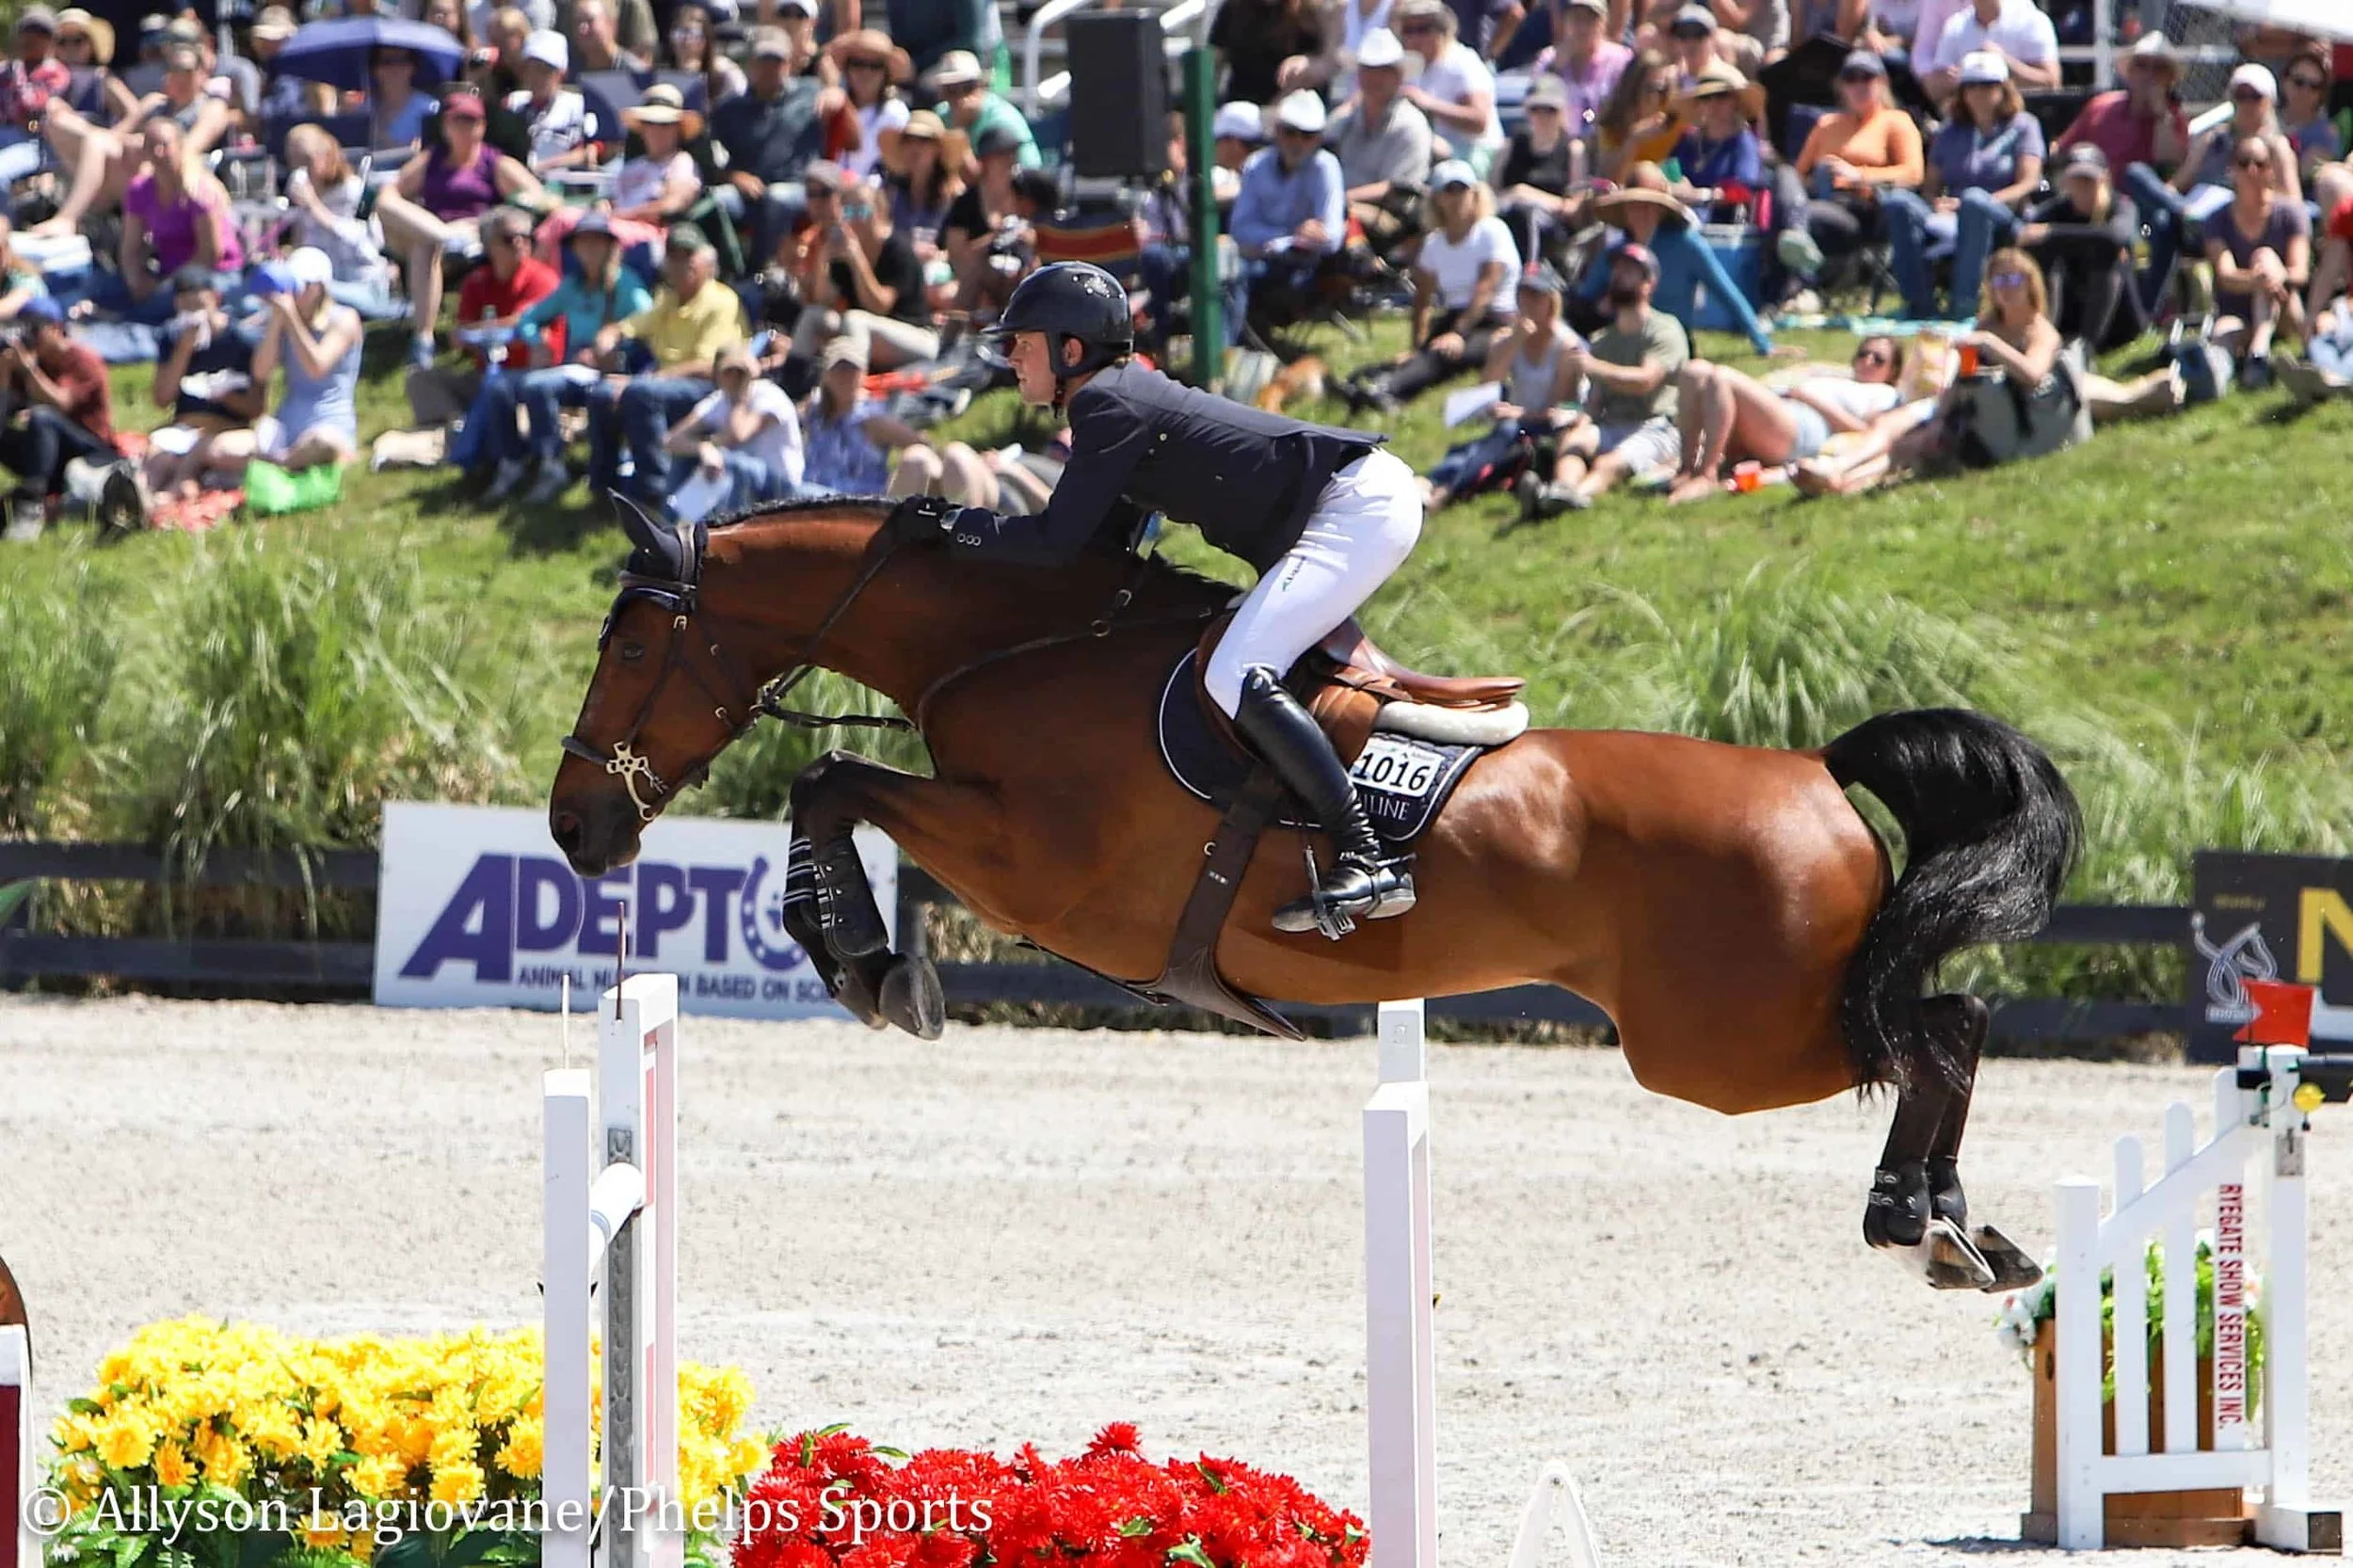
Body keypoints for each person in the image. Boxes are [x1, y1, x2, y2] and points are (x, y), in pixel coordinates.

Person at [882, 261, 1420, 936]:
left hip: (1355, 508)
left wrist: (950, 525)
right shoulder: (1117, 400)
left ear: (1070, 350)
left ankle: (1367, 854)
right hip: (1348, 506)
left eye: (1023, 342)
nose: (1010, 356)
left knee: (1234, 672)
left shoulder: (1106, 405)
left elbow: (1054, 541)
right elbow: (1099, 553)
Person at [1800, 246, 2062, 493]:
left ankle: (1844, 484)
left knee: (1909, 446)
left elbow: (2033, 374)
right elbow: (1965, 375)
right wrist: (1941, 414)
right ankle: (1836, 470)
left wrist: (1990, 344)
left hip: (1997, 422)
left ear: (2031, 283)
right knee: (1888, 424)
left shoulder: (2040, 332)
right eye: (1998, 280)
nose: (2005, 287)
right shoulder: (1987, 324)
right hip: (1957, 405)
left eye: (2014, 279)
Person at [477, 211, 654, 500]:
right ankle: (511, 461)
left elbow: (648, 323)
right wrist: (538, 343)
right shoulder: (572, 286)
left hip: (608, 371)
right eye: (584, 242)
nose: (590, 249)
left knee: (538, 386)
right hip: (570, 367)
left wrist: (616, 343)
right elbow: (528, 319)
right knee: (499, 387)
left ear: (610, 246)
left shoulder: (626, 284)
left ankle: (552, 466)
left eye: (597, 242)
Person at [376, 89, 547, 367]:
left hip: (474, 237)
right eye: (456, 120)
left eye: (470, 121)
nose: (463, 127)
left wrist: (491, 220)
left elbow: (537, 197)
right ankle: (424, 337)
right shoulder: (432, 159)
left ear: (482, 126)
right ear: (445, 126)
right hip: (436, 231)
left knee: (425, 246)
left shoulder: (495, 163)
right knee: (394, 211)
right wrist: (438, 228)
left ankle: (423, 339)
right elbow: (390, 192)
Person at [1517, 241, 1689, 515]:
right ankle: (1560, 491)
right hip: (1612, 424)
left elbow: (1646, 380)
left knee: (1608, 464)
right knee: (1574, 443)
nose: (1618, 275)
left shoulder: (1664, 329)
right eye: (1617, 270)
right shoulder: (1603, 341)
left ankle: (1565, 499)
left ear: (1649, 284)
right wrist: (1579, 421)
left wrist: (1593, 366)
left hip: (1657, 427)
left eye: (1629, 271)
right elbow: (1596, 401)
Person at [586, 223, 746, 505]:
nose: (682, 264)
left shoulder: (721, 301)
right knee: (601, 393)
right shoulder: (668, 299)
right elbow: (629, 326)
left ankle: (653, 492)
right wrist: (608, 338)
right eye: (674, 256)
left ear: (706, 260)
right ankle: (604, 490)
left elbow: (708, 366)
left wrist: (649, 380)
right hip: (663, 382)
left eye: (688, 255)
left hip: (709, 387)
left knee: (640, 393)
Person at [2127, 61, 2299, 319]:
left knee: (2164, 223)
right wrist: (2173, 200)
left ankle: (2146, 313)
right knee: (2138, 178)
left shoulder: (2275, 147)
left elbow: (2293, 201)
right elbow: (2179, 182)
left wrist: (2250, 194)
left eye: (2254, 96)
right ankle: (2146, 315)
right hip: (2195, 212)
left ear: (2269, 101)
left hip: (2233, 225)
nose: (2247, 103)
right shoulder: (2212, 139)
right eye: (2240, 95)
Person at [1342, 159, 1517, 409]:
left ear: (1475, 193)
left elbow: (1486, 290)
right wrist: (1417, 345)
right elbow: (1422, 300)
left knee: (1442, 355)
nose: (1456, 197)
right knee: (1421, 355)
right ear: (1437, 198)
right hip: (1454, 316)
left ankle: (1390, 391)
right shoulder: (1434, 244)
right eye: (1449, 190)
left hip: (1496, 322)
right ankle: (1365, 381)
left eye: (1462, 189)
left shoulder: (1492, 230)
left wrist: (1458, 333)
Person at [1881, 50, 2041, 320]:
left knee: (1974, 200)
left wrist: (1979, 201)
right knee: (1898, 202)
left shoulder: (2024, 126)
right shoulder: (1950, 130)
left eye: (1988, 85)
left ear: (2004, 88)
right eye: (1972, 86)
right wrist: (1937, 204)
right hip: (1952, 215)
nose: (1979, 93)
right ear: (1962, 92)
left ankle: (1963, 305)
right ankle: (1919, 305)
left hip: (2003, 216)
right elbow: (1931, 187)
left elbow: (2028, 183)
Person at [187, 248, 363, 477]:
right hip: (286, 424)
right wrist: (277, 321)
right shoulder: (282, 318)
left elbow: (316, 367)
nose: (292, 292)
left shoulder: (344, 319)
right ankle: (284, 464)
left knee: (321, 443)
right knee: (216, 447)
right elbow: (261, 372)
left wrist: (291, 319)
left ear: (318, 288)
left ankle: (275, 465)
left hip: (328, 424)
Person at [1663, 333, 1902, 501]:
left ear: (1892, 371)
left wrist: (1809, 399)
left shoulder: (1884, 393)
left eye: (1878, 359)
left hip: (1802, 428)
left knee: (1721, 377)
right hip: (1783, 412)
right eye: (1863, 354)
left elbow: (1867, 432)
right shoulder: (1839, 377)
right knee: (1694, 370)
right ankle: (1687, 469)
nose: (1867, 361)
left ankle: (1707, 475)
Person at [1421, 264, 1579, 509]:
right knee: (1493, 441)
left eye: (1536, 297)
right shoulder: (1506, 338)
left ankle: (1443, 489)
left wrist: (1518, 413)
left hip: (1549, 425)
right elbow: (1487, 387)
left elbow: (1561, 408)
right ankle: (1433, 483)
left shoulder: (1566, 347)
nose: (1529, 303)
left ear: (1551, 301)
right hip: (1517, 422)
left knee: (1502, 435)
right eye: (1524, 295)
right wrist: (1514, 342)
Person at [1776, 50, 1921, 290]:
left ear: (1882, 82)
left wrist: (1859, 175)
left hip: (1862, 209)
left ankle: (1797, 275)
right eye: (1851, 78)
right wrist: (1820, 178)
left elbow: (1914, 174)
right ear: (1841, 86)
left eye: (1866, 77)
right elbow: (1799, 175)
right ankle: (1796, 239)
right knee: (1784, 174)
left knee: (1789, 219)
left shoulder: (1896, 121)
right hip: (1820, 198)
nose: (1858, 85)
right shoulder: (1827, 124)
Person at [407, 206, 559, 429]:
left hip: (532, 376)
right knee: (419, 379)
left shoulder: (543, 278)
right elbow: (458, 336)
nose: (520, 243)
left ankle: (497, 424)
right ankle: (456, 425)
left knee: (508, 392)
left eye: (526, 237)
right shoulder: (476, 282)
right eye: (509, 238)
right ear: (489, 245)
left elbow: (525, 322)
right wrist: (485, 332)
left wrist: (480, 331)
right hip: (488, 375)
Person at [711, 28, 841, 268]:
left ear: (789, 64)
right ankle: (726, 270)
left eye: (777, 62)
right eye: (763, 61)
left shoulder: (811, 93)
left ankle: (761, 272)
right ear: (750, 64)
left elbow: (848, 125)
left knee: (777, 198)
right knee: (716, 200)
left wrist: (837, 92)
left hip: (801, 189)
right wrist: (733, 176)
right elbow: (711, 159)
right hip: (749, 192)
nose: (770, 69)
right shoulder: (729, 109)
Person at [789, 165, 938, 368]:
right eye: (849, 212)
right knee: (813, 316)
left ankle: (852, 381)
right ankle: (793, 377)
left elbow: (879, 306)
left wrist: (857, 260)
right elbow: (824, 300)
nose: (856, 219)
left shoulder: (897, 249)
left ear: (879, 212)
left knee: (855, 320)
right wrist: (825, 258)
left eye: (863, 211)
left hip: (916, 338)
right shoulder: (845, 249)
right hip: (865, 333)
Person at [1224, 89, 1345, 341]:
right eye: (1290, 132)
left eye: (1307, 135)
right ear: (1277, 131)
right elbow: (1240, 227)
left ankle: (1231, 347)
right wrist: (1291, 236)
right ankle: (1228, 347)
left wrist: (1277, 241)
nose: (1297, 142)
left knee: (1237, 274)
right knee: (1229, 271)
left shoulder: (1326, 167)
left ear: (1319, 138)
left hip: (1302, 266)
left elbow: (1332, 237)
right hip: (1259, 258)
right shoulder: (1256, 165)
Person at [139, 268, 264, 505]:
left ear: (214, 299)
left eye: (198, 305)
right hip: (185, 426)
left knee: (202, 454)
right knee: (157, 460)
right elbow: (162, 398)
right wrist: (183, 351)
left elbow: (257, 408)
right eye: (186, 306)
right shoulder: (171, 338)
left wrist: (225, 396)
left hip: (227, 429)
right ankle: (140, 497)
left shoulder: (242, 341)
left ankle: (176, 489)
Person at [0, 296, 121, 537]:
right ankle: (34, 492)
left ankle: (32, 501)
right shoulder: (29, 363)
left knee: (42, 417)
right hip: (48, 456)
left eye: (35, 329)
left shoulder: (83, 359)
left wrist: (29, 370)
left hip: (89, 451)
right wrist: (4, 374)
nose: (30, 338)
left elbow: (61, 403)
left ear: (55, 328)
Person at [103, 115, 243, 323]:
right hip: (166, 271)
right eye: (151, 146)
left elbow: (210, 254)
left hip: (212, 274)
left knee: (153, 309)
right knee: (106, 288)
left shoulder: (198, 191)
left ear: (179, 146)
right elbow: (130, 248)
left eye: (164, 146)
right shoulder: (139, 190)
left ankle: (124, 322)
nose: (158, 153)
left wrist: (163, 286)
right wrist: (136, 281)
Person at [2204, 136, 2310, 391]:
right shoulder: (2217, 219)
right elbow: (2226, 275)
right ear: (2232, 170)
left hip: (2285, 308)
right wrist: (2259, 280)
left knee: (2265, 256)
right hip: (2238, 313)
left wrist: (2275, 276)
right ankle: (2217, 378)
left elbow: (2300, 272)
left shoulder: (2290, 214)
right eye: (2244, 163)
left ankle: (2258, 352)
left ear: (2271, 169)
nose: (2252, 170)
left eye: (2260, 163)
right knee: (2221, 335)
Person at [2017, 143, 2143, 353]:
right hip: (2070, 311)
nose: (2083, 188)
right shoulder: (2057, 211)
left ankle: (2086, 349)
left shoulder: (2121, 207)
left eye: (2089, 181)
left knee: (2106, 255)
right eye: (2077, 181)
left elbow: (2114, 237)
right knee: (2040, 251)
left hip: (2119, 320)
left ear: (2104, 180)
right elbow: (2027, 235)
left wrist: (2051, 233)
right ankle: (2044, 337)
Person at [663, 344, 807, 507]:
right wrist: (703, 448)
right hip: (740, 484)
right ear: (717, 374)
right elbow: (671, 440)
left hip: (780, 486)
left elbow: (738, 435)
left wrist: (740, 397)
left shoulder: (769, 394)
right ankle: (675, 516)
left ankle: (725, 518)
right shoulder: (717, 401)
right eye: (728, 371)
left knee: (732, 462)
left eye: (739, 371)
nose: (734, 377)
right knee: (688, 458)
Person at [2050, 31, 2186, 197]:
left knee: (2137, 173)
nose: (2148, 75)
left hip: (2144, 201)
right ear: (2130, 71)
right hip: (2097, 197)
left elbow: (2171, 165)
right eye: (2141, 65)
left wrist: (2161, 115)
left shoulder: (2174, 118)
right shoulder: (2101, 106)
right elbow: (2061, 151)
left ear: (2169, 79)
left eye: (2159, 68)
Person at [282, 124, 398, 315]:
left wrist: (315, 207)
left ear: (324, 156)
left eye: (306, 162)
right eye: (293, 162)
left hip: (362, 284)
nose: (300, 170)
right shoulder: (301, 189)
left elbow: (366, 244)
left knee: (310, 292)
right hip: (320, 283)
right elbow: (302, 247)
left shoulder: (354, 191)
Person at [800, 334, 923, 493]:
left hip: (857, 500)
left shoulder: (871, 417)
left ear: (862, 374)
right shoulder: (814, 410)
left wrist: (897, 482)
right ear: (826, 374)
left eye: (852, 370)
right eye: (839, 370)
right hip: (810, 495)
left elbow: (919, 445)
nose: (845, 377)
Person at [1393, 0, 1502, 170]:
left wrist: (1428, 104)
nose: (1413, 38)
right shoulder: (1409, 65)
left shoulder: (1462, 63)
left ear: (1442, 30)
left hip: (1472, 155)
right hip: (1427, 151)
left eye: (1422, 29)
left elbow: (1479, 121)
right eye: (1408, 30)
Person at [1491, 71, 1579, 262]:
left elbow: (1574, 207)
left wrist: (1528, 195)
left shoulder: (1572, 150)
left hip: (1551, 230)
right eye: (1536, 109)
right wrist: (1514, 196)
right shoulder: (1510, 147)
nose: (1543, 116)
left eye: (1550, 110)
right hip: (1508, 219)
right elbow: (1491, 194)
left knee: (1528, 216)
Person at [1664, 62, 1762, 222]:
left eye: (1721, 96)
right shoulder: (1688, 141)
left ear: (1736, 102)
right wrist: (1672, 186)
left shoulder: (1743, 143)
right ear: (1698, 104)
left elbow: (1743, 190)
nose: (1713, 104)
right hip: (1678, 219)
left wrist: (1700, 195)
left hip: (1720, 227)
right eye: (1705, 98)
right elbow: (1668, 172)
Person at [1918, 0, 2055, 105]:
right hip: (1968, 124)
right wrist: (1967, 74)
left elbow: (2051, 82)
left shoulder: (2031, 20)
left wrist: (2005, 64)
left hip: (2020, 120)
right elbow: (1934, 89)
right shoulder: (1956, 24)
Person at [929, 49, 1038, 168]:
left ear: (981, 86)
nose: (960, 97)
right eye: (950, 90)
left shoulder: (1004, 121)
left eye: (967, 87)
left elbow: (1029, 170)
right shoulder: (940, 116)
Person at [1539, 0, 1632, 137]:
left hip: (1606, 141)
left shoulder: (1621, 60)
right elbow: (1537, 105)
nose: (1582, 28)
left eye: (1590, 20)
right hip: (1559, 143)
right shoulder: (1549, 58)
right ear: (1565, 22)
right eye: (1576, 19)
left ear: (1603, 22)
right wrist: (1555, 69)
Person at [878, 108, 965, 256]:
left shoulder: (955, 197)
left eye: (924, 141)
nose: (914, 148)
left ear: (938, 149)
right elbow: (878, 238)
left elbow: (960, 253)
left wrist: (937, 256)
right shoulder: (889, 194)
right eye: (908, 141)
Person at [507, 29, 594, 173]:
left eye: (544, 70)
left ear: (561, 73)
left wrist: (542, 167)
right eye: (530, 68)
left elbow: (585, 153)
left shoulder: (576, 106)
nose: (535, 76)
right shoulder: (514, 104)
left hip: (562, 180)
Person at [825, 28, 908, 181]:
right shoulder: (833, 106)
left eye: (875, 66)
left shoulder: (896, 112)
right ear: (847, 69)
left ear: (886, 74)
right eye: (858, 64)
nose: (866, 72)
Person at [1209, 0, 1326, 105]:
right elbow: (1214, 63)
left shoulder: (1309, 11)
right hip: (1240, 108)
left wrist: (1308, 62)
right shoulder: (1233, 7)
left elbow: (1325, 62)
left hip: (1291, 108)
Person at [1592, 47, 1679, 184]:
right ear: (1632, 88)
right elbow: (1610, 182)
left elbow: (1679, 178)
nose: (1657, 98)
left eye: (1663, 90)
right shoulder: (1610, 128)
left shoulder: (1672, 125)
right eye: (1651, 89)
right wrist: (1633, 140)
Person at [2280, 44, 2341, 183]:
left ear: (2321, 94)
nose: (2305, 91)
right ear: (2284, 81)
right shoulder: (2265, 116)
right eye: (2299, 82)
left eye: (2314, 86)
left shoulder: (2326, 134)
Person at [669, 1, 747, 109]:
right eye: (679, 33)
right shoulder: (664, 74)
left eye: (693, 34)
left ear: (706, 39)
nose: (685, 41)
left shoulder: (726, 74)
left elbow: (738, 105)